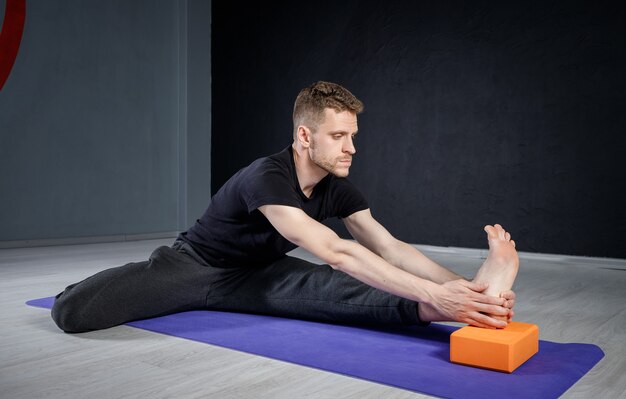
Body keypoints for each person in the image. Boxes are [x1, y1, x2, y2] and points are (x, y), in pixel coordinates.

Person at [51, 81, 518, 333]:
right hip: (195, 266)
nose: (351, 147)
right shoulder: (266, 176)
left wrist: (463, 288)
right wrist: (433, 290)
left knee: (344, 295)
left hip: (261, 273)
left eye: (353, 136)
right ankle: (445, 303)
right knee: (74, 313)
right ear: (304, 136)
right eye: (339, 136)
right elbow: (336, 251)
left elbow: (388, 248)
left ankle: (460, 306)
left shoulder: (336, 186)